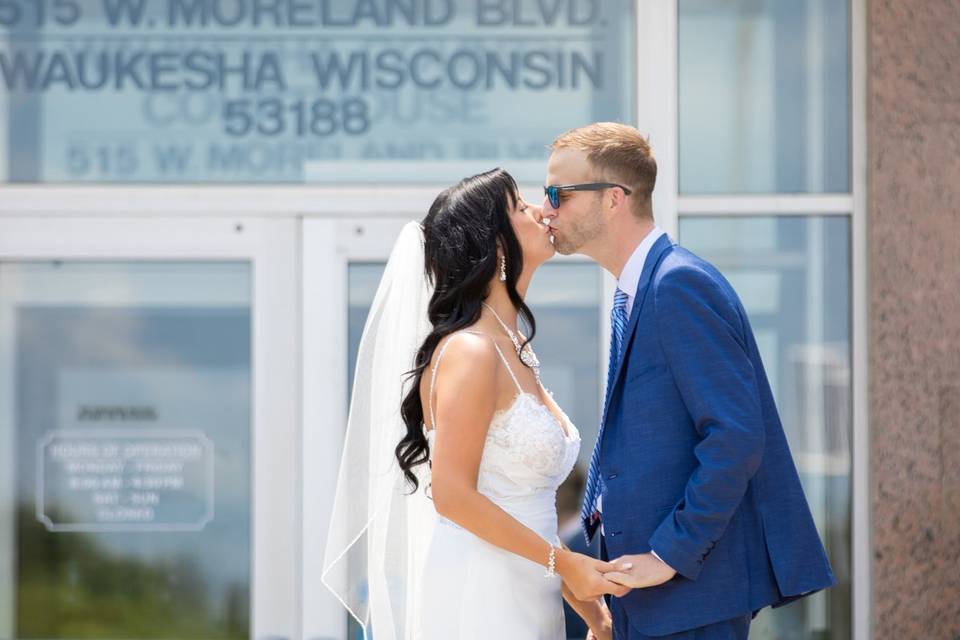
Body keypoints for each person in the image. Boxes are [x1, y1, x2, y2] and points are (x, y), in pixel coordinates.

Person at [541, 122, 836, 640]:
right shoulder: (644, 290)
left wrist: (669, 554)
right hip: (653, 606)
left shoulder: (676, 285)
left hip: (689, 601)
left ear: (614, 199)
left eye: (558, 193)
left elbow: (736, 437)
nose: (547, 209)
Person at [323, 167, 628, 640]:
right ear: (498, 245)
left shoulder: (514, 349)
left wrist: (586, 606)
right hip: (481, 594)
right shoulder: (471, 351)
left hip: (530, 590)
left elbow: (519, 505)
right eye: (522, 207)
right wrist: (566, 563)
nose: (543, 210)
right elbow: (453, 496)